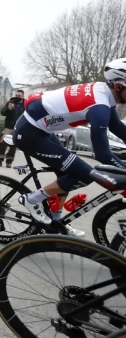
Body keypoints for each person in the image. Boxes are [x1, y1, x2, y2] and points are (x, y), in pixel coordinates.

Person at [13, 62, 126, 236]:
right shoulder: (99, 108)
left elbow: (117, 127)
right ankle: (32, 199)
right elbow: (103, 155)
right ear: (118, 86)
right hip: (30, 134)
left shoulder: (102, 92)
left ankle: (55, 223)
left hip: (40, 129)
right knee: (86, 174)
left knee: (66, 174)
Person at [0, 89, 25, 167]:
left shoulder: (25, 104)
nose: (17, 97)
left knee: (13, 145)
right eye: (16, 95)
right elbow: (3, 113)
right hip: (9, 127)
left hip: (19, 128)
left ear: (23, 96)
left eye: (19, 96)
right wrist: (8, 109)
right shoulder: (11, 102)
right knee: (3, 143)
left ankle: (9, 162)